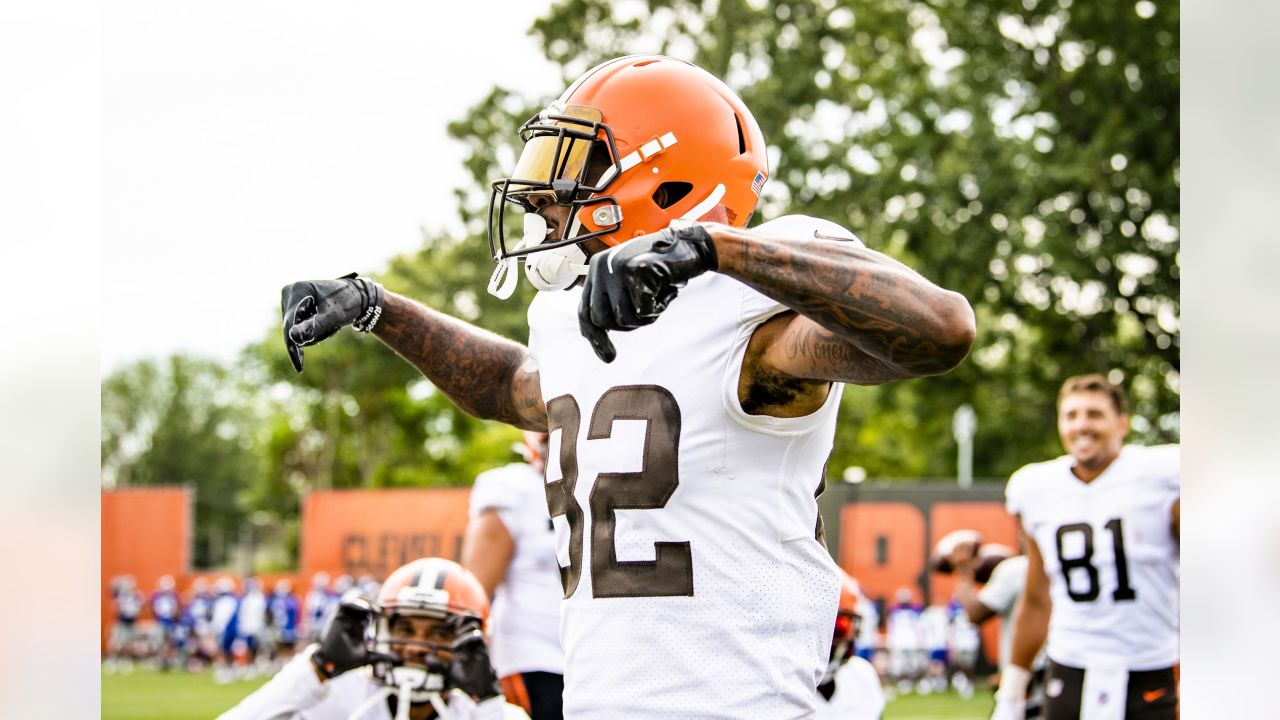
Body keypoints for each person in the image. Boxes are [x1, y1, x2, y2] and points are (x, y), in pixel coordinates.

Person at [280, 54, 974, 717]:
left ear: (666, 179)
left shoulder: (752, 313)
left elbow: (941, 330)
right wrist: (379, 307)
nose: (548, 198)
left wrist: (712, 247)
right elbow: (512, 383)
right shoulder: (575, 317)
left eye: (578, 168)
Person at [993, 374, 1179, 720]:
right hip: (1071, 663)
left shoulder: (1162, 476)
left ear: (1122, 423)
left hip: (1151, 662)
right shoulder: (1035, 488)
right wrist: (1012, 692)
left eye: (1094, 414)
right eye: (1071, 415)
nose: (1082, 425)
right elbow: (1036, 599)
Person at [218, 558, 529, 720]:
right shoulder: (337, 697)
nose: (414, 647)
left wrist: (489, 705)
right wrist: (316, 667)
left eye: (439, 633)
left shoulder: (487, 713)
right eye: (405, 630)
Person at [461, 432, 564, 719]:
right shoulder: (513, 489)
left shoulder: (608, 486)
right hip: (534, 657)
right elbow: (474, 594)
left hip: (598, 659)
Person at [815, 569, 886, 720]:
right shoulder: (779, 679)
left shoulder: (862, 675)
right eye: (839, 626)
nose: (846, 636)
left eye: (848, 625)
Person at [149, 574, 183, 671]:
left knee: (170, 643)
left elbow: (177, 609)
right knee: (159, 643)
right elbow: (152, 608)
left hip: (171, 623)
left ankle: (167, 661)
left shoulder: (175, 595)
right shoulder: (156, 596)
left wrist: (173, 616)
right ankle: (161, 660)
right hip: (160, 622)